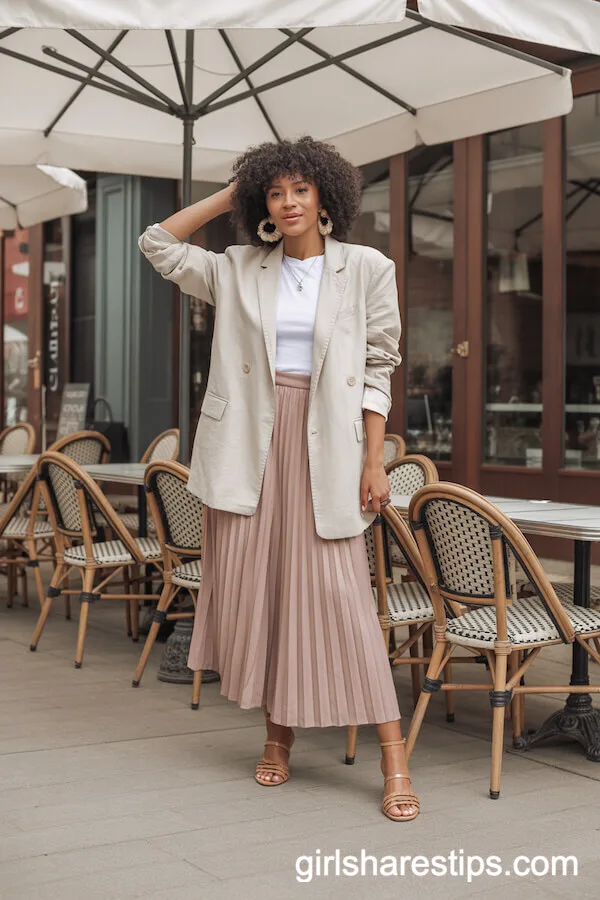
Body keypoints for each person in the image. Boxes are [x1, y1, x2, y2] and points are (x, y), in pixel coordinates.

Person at [138, 137, 418, 822]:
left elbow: (379, 365)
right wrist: (231, 193)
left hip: (330, 446)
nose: (288, 202)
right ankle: (277, 737)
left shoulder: (367, 268)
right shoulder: (237, 267)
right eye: (274, 191)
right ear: (261, 202)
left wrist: (373, 458)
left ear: (325, 196)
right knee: (267, 596)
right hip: (248, 448)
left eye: (300, 189)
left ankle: (394, 760)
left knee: (343, 601)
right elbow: (157, 244)